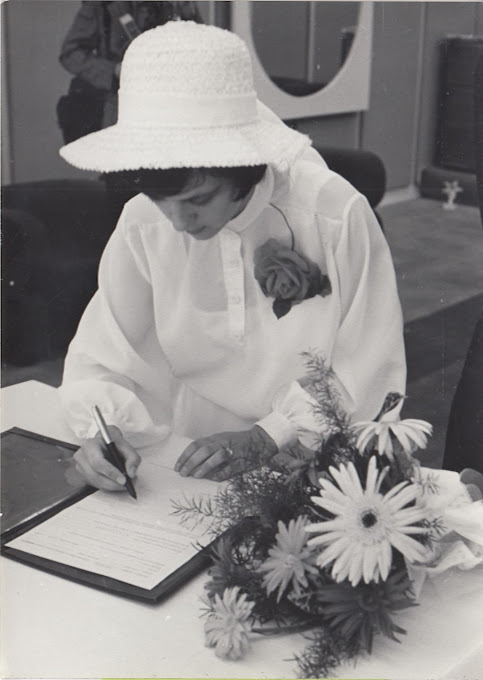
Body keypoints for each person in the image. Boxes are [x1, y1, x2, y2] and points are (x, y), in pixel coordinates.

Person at [58, 21, 406, 491]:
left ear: (246, 167)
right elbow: (104, 352)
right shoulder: (143, 221)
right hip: (190, 457)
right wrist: (102, 432)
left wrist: (271, 434)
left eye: (199, 200)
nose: (178, 222)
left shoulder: (333, 215)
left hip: (315, 453)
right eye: (162, 200)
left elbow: (370, 362)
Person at [58, 1, 202, 140]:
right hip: (123, 107)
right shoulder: (103, 5)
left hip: (170, 108)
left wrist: (189, 14)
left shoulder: (173, 4)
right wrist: (114, 70)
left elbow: (203, 48)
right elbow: (71, 53)